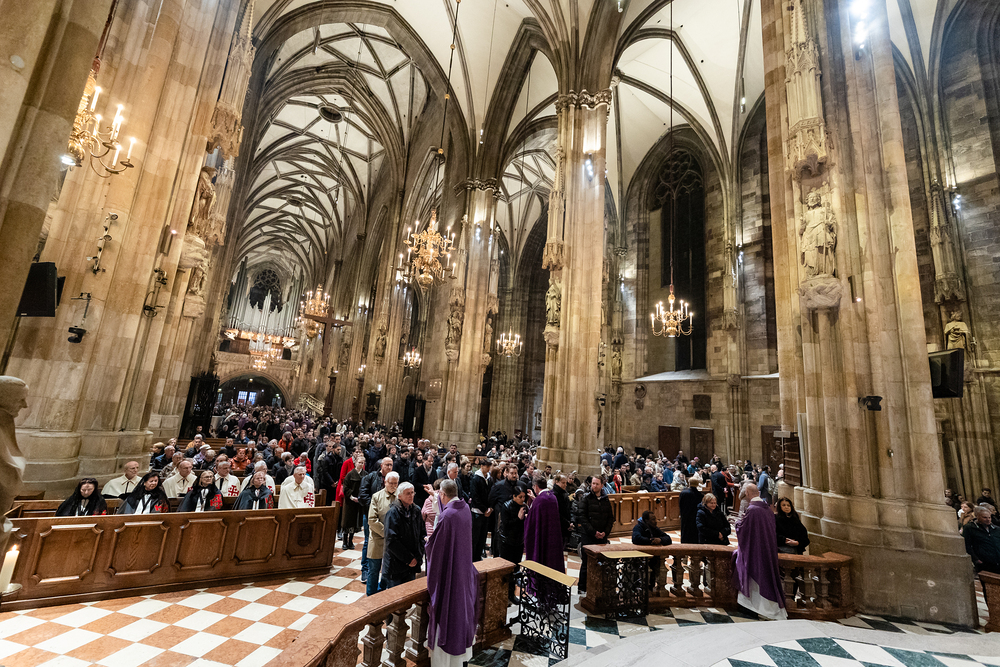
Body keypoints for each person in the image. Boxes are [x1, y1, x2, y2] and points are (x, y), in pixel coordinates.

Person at [426, 479, 478, 667]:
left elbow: (436, 548)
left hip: (450, 573)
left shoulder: (447, 516)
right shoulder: (465, 509)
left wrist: (428, 543)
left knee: (447, 610)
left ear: (442, 494)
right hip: (462, 570)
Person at [732, 484, 787, 620]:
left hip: (754, 551)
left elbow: (743, 529)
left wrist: (737, 524)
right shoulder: (767, 509)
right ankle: (768, 609)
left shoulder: (752, 510)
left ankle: (760, 608)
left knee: (755, 578)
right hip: (766, 548)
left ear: (747, 493)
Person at [383, 482, 426, 589]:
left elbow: (422, 534)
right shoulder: (393, 513)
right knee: (396, 596)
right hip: (396, 565)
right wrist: (408, 559)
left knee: (409, 594)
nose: (411, 496)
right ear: (400, 496)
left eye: (412, 492)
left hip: (412, 564)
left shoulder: (416, 510)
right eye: (408, 493)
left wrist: (417, 556)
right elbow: (391, 540)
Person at [577, 476, 614, 594]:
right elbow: (582, 517)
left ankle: (598, 587)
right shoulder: (586, 498)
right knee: (586, 562)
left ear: (602, 485)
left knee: (601, 562)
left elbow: (610, 518)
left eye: (597, 484)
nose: (594, 486)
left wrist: (605, 532)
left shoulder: (605, 499)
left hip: (602, 536)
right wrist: (594, 532)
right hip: (588, 536)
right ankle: (582, 588)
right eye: (593, 483)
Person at [367, 472, 400, 595]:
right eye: (391, 483)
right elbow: (372, 520)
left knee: (389, 570)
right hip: (378, 538)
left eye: (395, 483)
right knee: (374, 570)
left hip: (393, 541)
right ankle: (371, 595)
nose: (393, 486)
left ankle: (383, 594)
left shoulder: (400, 497)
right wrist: (386, 533)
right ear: (385, 482)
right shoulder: (376, 496)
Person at [524, 472, 564, 572]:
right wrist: (535, 499)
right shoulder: (552, 497)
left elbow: (532, 522)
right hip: (553, 535)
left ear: (536, 486)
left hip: (542, 536)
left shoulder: (539, 500)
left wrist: (526, 517)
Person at [499, 484, 528, 602]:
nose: (523, 499)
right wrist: (519, 518)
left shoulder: (524, 506)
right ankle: (503, 595)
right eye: (520, 497)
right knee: (507, 570)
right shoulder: (506, 506)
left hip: (518, 542)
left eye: (524, 497)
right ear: (514, 496)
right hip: (507, 542)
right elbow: (506, 525)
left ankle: (511, 595)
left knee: (516, 569)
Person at [469, 458, 493, 561]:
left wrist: (490, 508)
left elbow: (491, 494)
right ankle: (473, 558)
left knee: (483, 537)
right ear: (482, 466)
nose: (488, 468)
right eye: (486, 466)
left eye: (489, 466)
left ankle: (478, 556)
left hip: (486, 512)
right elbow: (475, 496)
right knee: (475, 537)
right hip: (477, 512)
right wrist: (484, 509)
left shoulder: (489, 478)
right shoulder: (476, 478)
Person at [341, 455, 365, 550]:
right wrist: (351, 497)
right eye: (359, 462)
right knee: (347, 522)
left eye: (362, 463)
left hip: (359, 502)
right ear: (355, 463)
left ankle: (350, 541)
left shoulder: (365, 474)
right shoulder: (350, 474)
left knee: (355, 522)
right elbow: (345, 487)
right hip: (349, 501)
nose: (361, 464)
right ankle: (344, 542)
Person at [679, 477, 704, 544]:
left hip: (685, 514)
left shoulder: (683, 493)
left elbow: (680, 504)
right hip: (695, 515)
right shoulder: (700, 495)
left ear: (689, 483)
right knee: (694, 531)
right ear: (697, 484)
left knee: (685, 530)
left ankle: (684, 544)